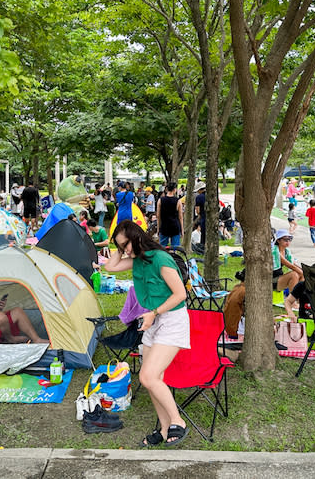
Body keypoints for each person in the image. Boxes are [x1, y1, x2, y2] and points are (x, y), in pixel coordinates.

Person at [104, 220, 189, 447]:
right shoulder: (136, 261)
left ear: (137, 237)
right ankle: (162, 429)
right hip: (152, 320)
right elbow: (110, 267)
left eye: (127, 245)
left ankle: (177, 422)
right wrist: (117, 246)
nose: (126, 251)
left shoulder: (160, 259)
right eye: (123, 247)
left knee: (147, 377)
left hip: (171, 320)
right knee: (155, 379)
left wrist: (154, 313)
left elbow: (180, 294)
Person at [156, 182, 184, 248]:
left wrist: (158, 228)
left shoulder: (160, 200)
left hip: (164, 226)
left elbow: (158, 216)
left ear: (166, 189)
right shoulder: (178, 201)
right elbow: (180, 217)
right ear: (175, 189)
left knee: (162, 248)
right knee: (175, 248)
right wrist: (182, 229)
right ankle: (174, 258)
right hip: (175, 227)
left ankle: (163, 258)